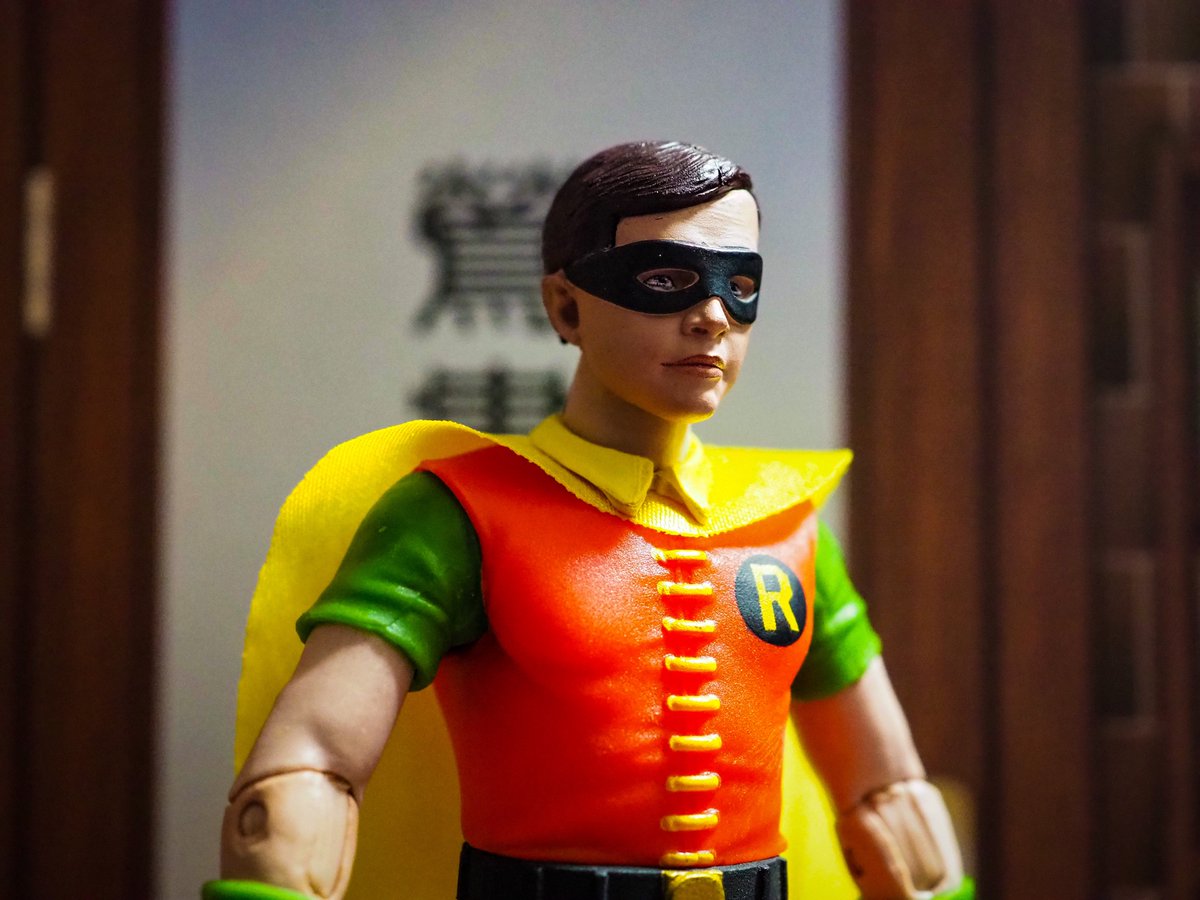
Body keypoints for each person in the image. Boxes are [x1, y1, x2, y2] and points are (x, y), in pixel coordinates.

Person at [204, 141, 971, 900]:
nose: (712, 317)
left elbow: (888, 791)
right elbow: (313, 762)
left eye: (740, 286)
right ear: (566, 305)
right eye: (665, 279)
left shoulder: (785, 525)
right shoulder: (463, 513)